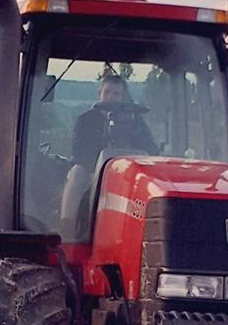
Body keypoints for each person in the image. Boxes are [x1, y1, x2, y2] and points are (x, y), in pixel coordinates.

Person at [60, 72, 158, 236]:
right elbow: (79, 152)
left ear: (122, 97)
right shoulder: (85, 120)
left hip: (126, 174)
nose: (111, 97)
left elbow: (151, 151)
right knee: (77, 173)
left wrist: (134, 130)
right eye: (107, 92)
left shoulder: (136, 122)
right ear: (100, 94)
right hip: (91, 172)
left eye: (116, 94)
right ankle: (66, 230)